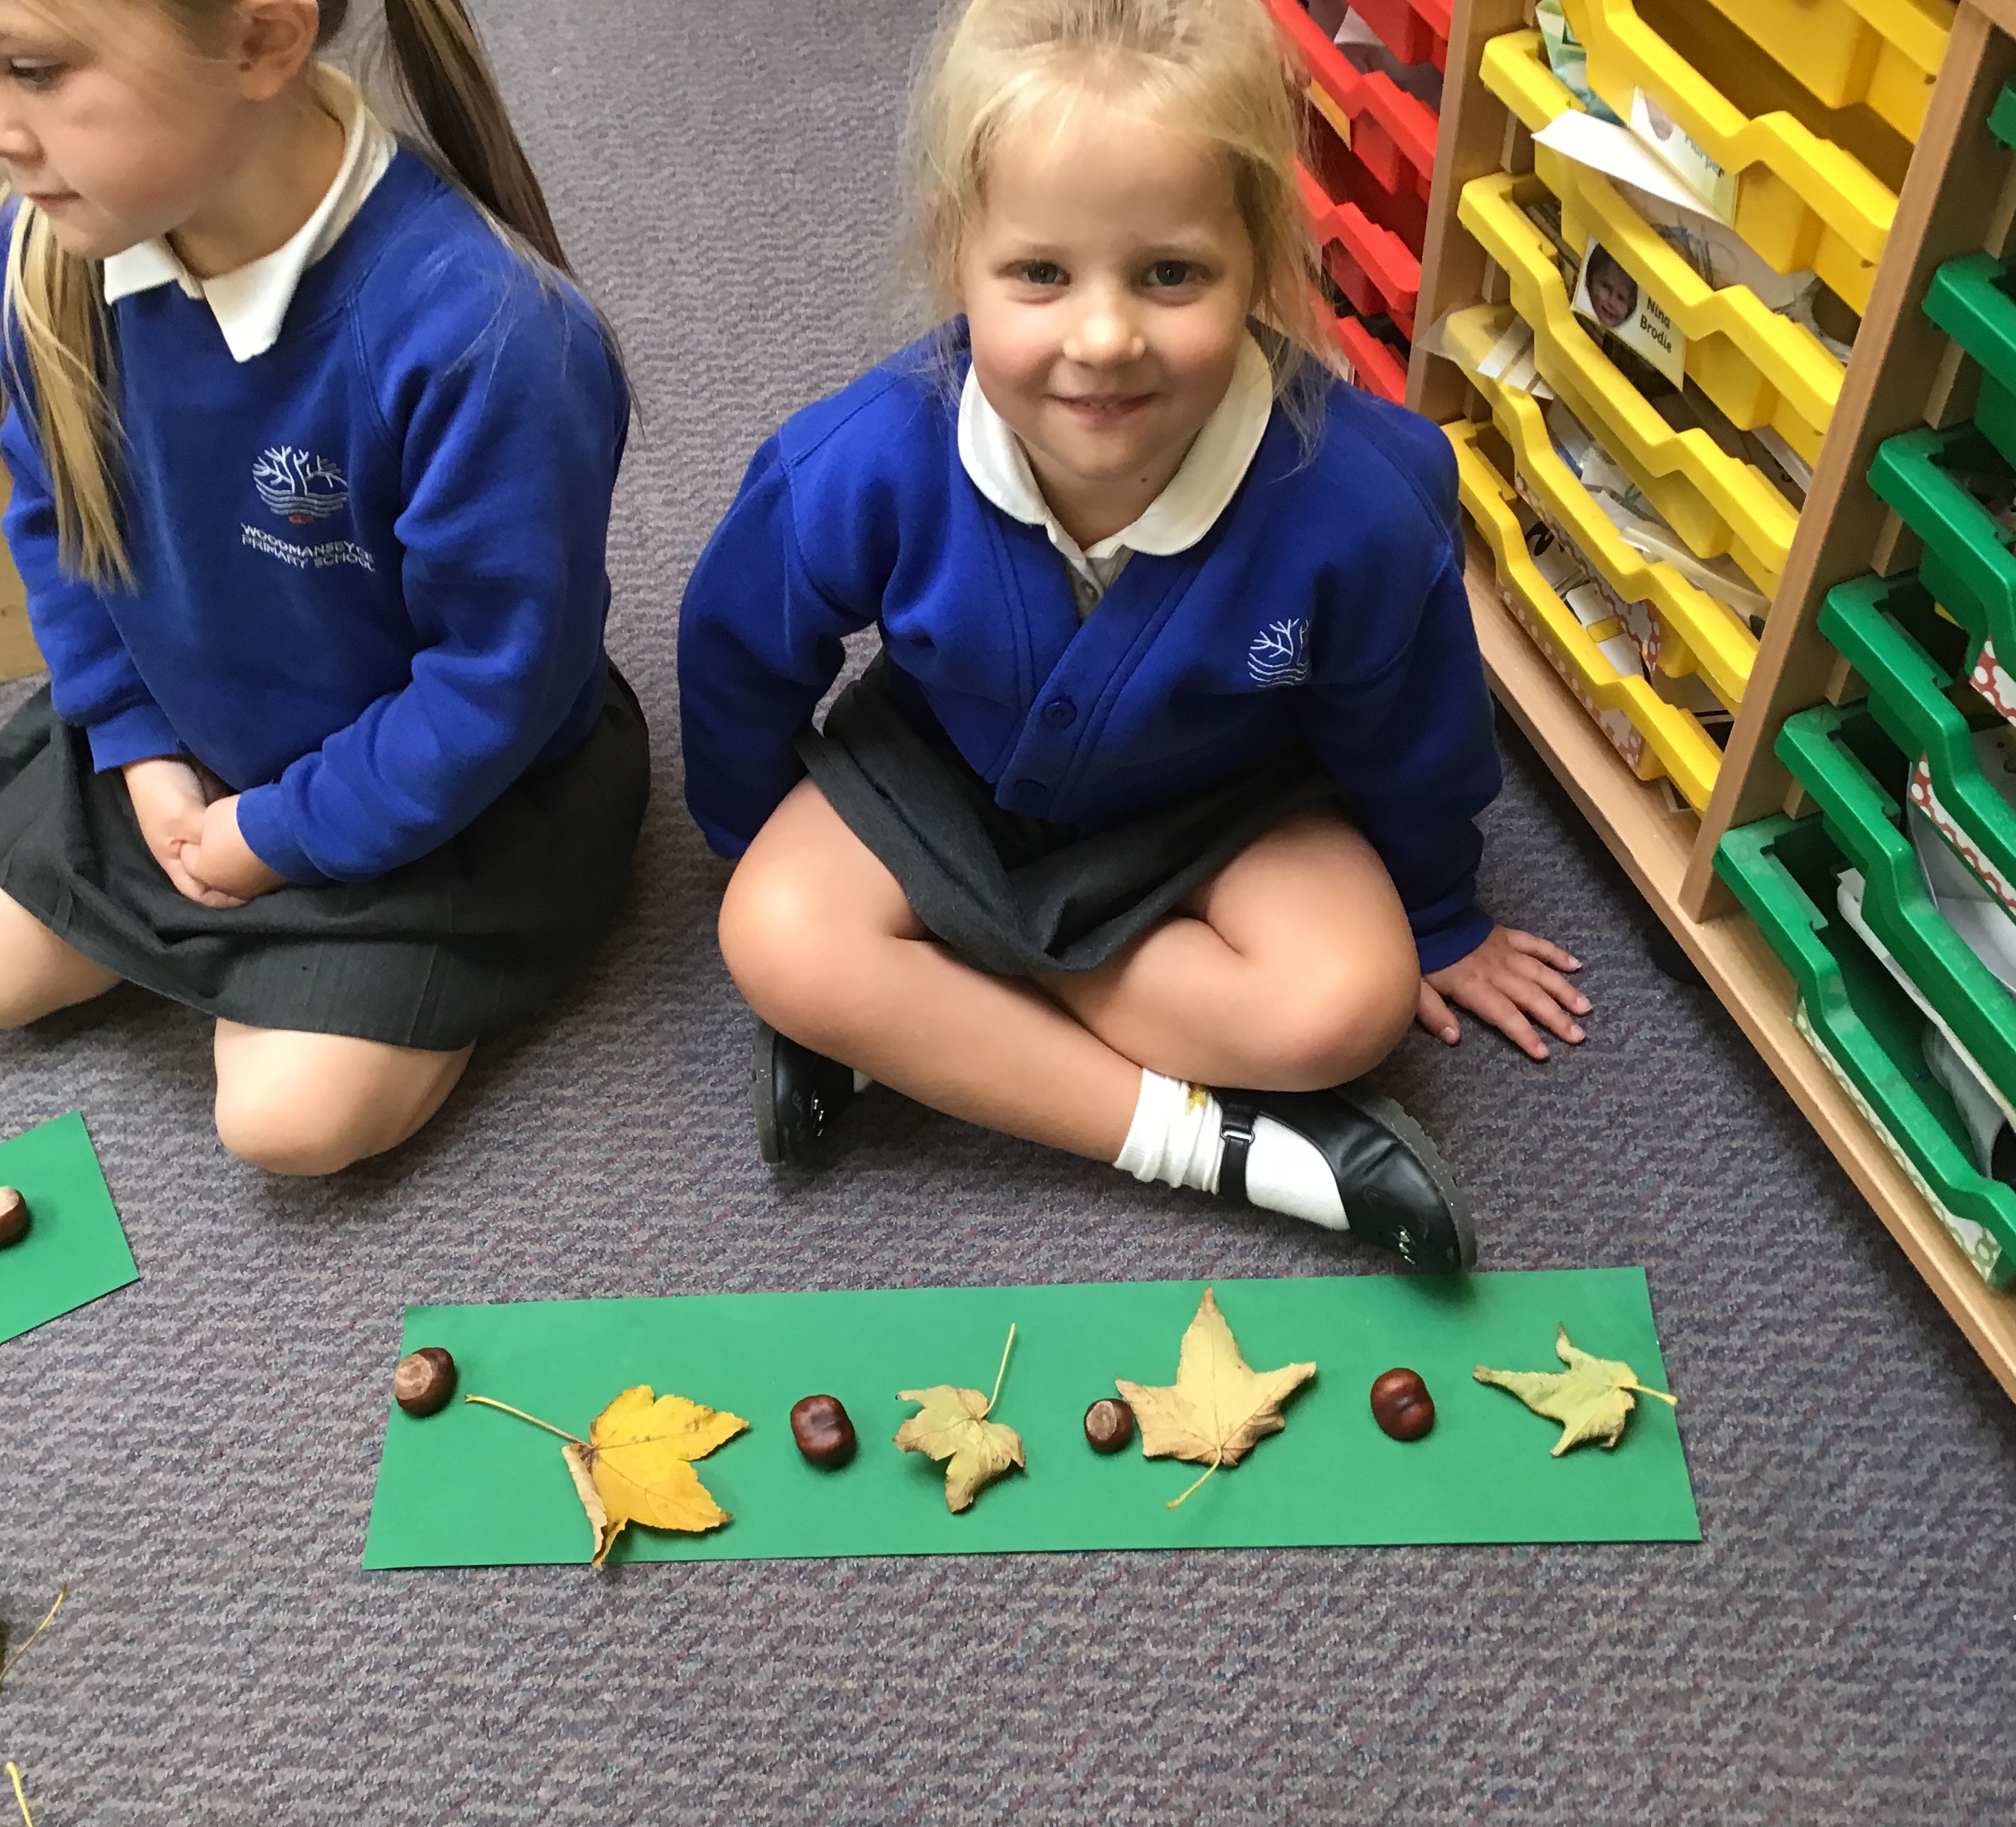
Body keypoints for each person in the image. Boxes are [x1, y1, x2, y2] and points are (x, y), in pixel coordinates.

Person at [678, 0, 1586, 1272]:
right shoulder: (861, 457)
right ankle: (1217, 1146)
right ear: (957, 257)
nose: (1103, 340)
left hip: (1222, 808)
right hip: (942, 775)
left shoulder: (1364, 500)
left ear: (1261, 256)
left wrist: (1441, 911)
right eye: (1040, 275)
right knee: (774, 932)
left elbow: (1413, 725)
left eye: (1171, 274)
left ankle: (931, 1021)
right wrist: (752, 828)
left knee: (1350, 1007)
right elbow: (741, 649)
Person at [0, 0, 647, 1174]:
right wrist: (138, 743)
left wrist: (274, 834)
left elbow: (490, 687)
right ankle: (279, 945)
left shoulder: (489, 337)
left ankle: (391, 966)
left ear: (261, 40)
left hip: (432, 785)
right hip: (187, 716)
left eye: (34, 69)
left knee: (285, 1125)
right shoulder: (42, 246)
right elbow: (57, 526)